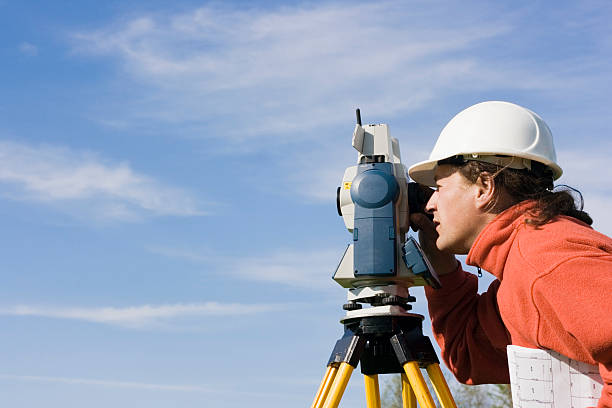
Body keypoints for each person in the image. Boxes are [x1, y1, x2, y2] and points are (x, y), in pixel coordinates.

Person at [407, 101, 612, 407]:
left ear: (483, 187)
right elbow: (468, 354)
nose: (430, 204)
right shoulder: (521, 266)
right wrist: (440, 266)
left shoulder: (546, 259)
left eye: (439, 186)